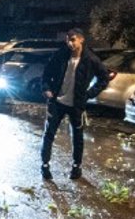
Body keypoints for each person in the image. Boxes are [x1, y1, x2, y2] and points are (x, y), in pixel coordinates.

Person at [39, 29, 110, 181]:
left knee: (77, 137)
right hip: (57, 102)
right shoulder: (61, 55)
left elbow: (104, 78)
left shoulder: (91, 59)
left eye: (73, 40)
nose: (70, 43)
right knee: (49, 133)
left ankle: (76, 167)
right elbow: (46, 73)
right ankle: (45, 165)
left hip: (76, 105)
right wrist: (46, 89)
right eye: (67, 40)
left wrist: (89, 94)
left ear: (81, 40)